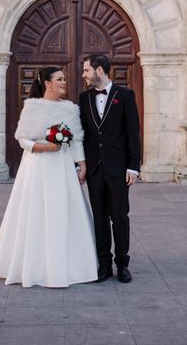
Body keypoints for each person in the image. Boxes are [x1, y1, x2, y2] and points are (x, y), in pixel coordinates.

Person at [0, 67, 97, 288]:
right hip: (38, 166)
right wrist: (44, 147)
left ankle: (69, 263)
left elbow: (76, 140)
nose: (64, 83)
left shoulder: (70, 109)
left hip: (63, 168)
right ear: (47, 84)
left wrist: (82, 164)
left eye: (64, 79)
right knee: (36, 210)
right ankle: (35, 263)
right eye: (59, 79)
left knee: (62, 210)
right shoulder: (32, 107)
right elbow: (23, 140)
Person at [79, 55, 141, 283]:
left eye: (87, 70)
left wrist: (134, 167)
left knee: (120, 216)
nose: (84, 74)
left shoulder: (125, 96)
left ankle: (122, 264)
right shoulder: (84, 98)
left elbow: (133, 133)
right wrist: (81, 163)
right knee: (100, 218)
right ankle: (104, 264)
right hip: (95, 168)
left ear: (100, 70)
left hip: (118, 168)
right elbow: (84, 134)